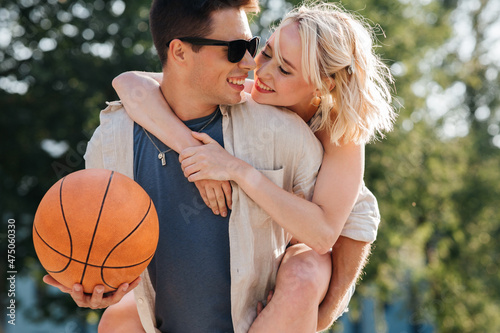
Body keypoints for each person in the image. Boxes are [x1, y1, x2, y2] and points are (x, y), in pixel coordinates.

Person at [43, 0, 362, 332]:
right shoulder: (112, 140)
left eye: (252, 48)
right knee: (115, 322)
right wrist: (98, 282)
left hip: (300, 273)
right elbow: (130, 83)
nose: (254, 66)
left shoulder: (322, 134)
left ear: (322, 87)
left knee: (305, 272)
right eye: (245, 49)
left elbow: (335, 230)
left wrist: (238, 170)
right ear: (179, 53)